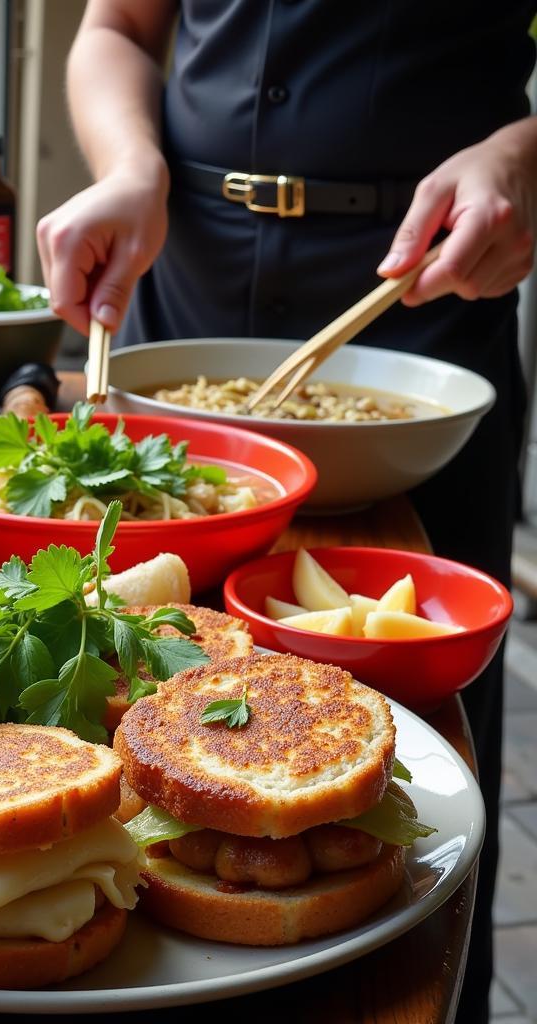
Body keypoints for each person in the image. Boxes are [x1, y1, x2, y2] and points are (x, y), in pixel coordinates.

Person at [37, 4, 536, 1021]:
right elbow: (118, 29)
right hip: (188, 294)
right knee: (145, 674)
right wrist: (130, 166)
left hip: (429, 300)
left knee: (416, 763)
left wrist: (526, 154)